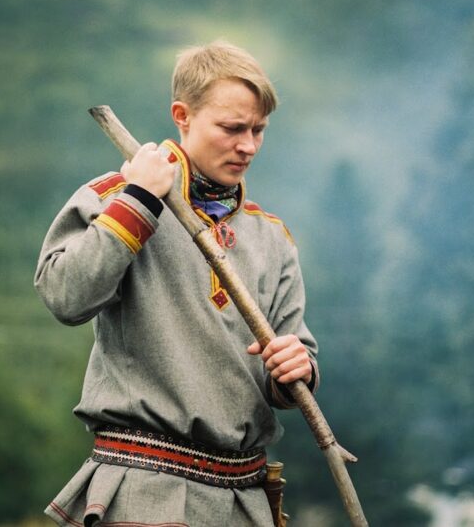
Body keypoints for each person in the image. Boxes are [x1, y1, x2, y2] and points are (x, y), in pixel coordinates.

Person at [35, 40, 319, 526]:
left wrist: (300, 370)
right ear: (182, 116)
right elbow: (65, 296)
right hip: (145, 491)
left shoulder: (272, 238)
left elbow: (292, 377)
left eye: (258, 130)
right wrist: (140, 199)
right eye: (231, 128)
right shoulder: (115, 197)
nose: (247, 145)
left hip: (244, 503)